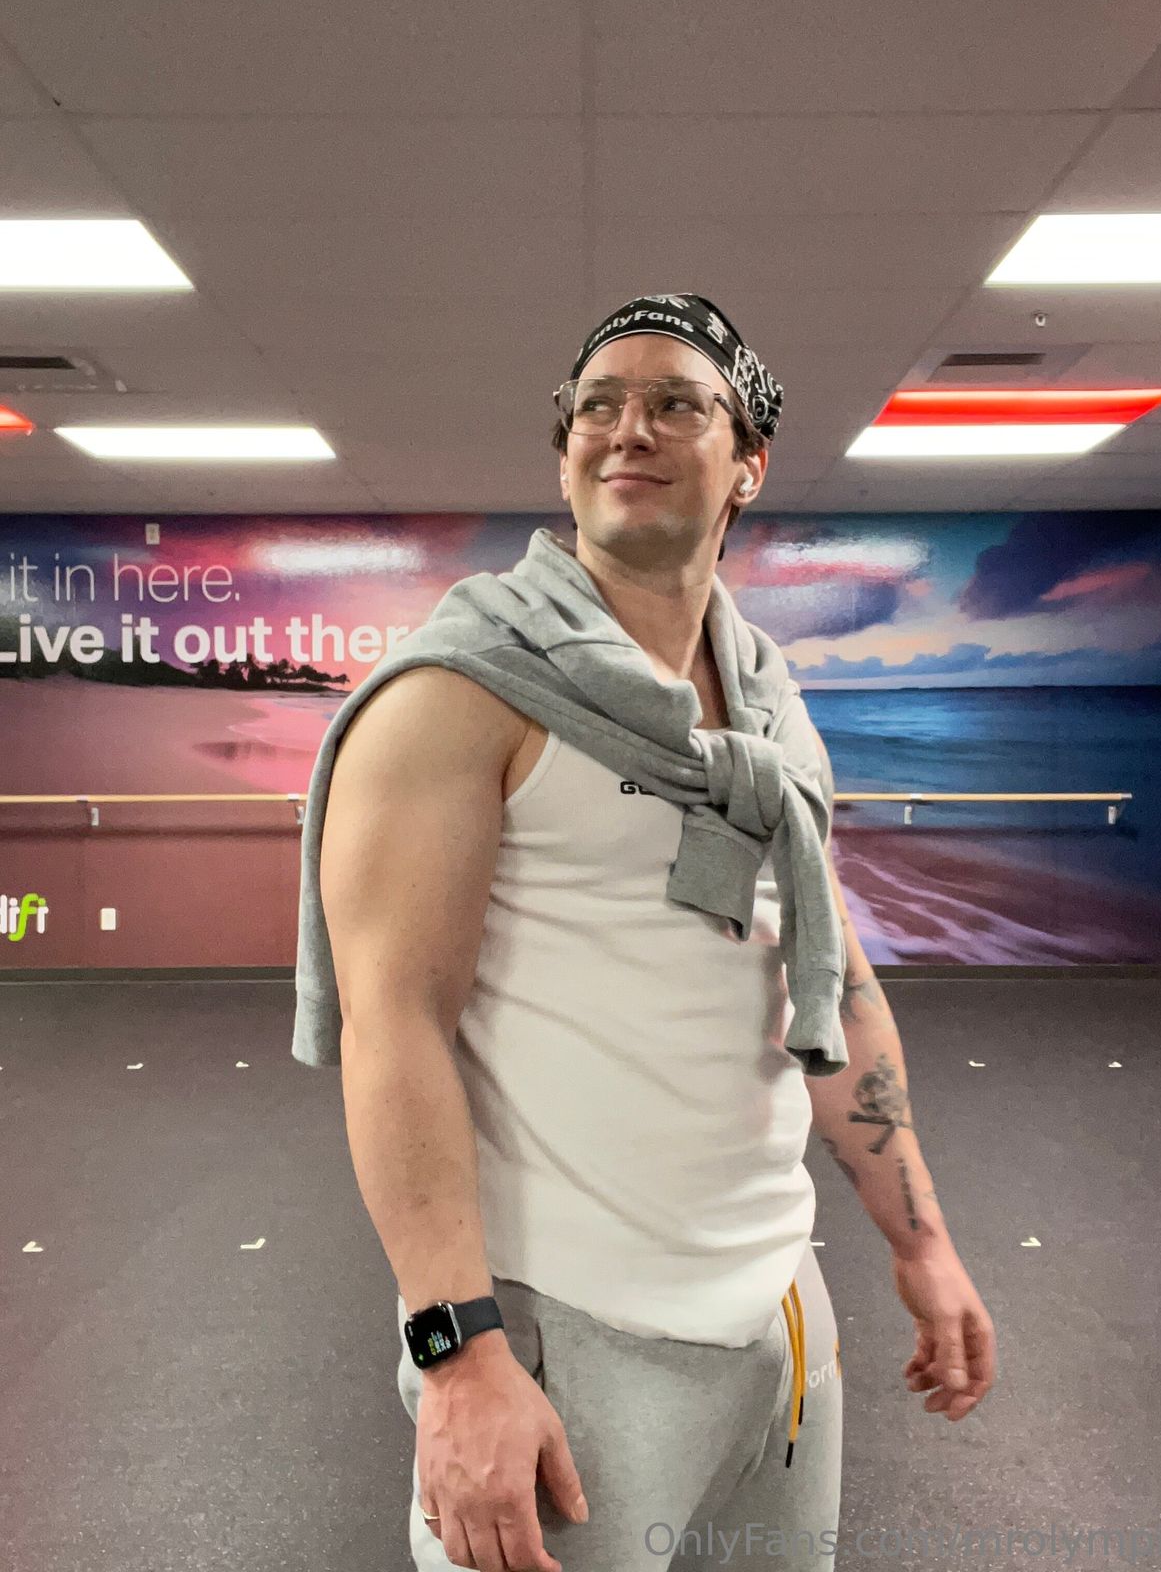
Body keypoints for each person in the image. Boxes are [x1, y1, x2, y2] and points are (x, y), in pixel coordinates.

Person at [321, 295, 996, 1572]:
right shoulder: (460, 693)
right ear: (566, 452)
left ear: (748, 463)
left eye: (676, 403)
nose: (628, 428)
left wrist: (922, 1242)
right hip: (566, 1334)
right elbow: (392, 1021)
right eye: (599, 404)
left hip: (778, 1314)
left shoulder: (771, 715)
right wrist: (456, 1356)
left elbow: (829, 978)